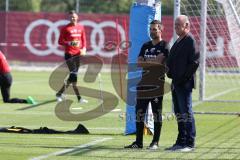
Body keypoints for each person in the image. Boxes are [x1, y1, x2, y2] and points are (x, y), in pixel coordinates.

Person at [124, 20, 169, 149]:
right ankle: (138, 142)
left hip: (157, 85)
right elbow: (139, 63)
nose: (152, 31)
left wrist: (147, 60)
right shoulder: (145, 45)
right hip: (143, 84)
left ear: (161, 30)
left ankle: (155, 142)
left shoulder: (165, 45)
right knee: (139, 114)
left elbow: (160, 61)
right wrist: (152, 61)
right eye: (151, 29)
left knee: (156, 114)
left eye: (155, 29)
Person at [166, 15, 200, 152]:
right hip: (176, 82)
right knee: (179, 112)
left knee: (186, 112)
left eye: (178, 25)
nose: (175, 27)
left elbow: (195, 63)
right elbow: (172, 60)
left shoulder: (190, 40)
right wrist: (169, 72)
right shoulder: (178, 40)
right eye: (175, 25)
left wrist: (183, 78)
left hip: (184, 84)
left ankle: (189, 143)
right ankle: (180, 141)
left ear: (186, 25)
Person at [56, 10, 88, 103]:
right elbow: (60, 41)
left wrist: (84, 48)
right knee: (74, 75)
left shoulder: (81, 27)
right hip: (69, 54)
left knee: (72, 77)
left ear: (77, 17)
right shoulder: (65, 28)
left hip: (78, 54)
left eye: (74, 16)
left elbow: (84, 39)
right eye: (71, 17)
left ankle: (59, 93)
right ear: (69, 18)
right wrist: (69, 42)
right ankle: (79, 98)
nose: (73, 18)